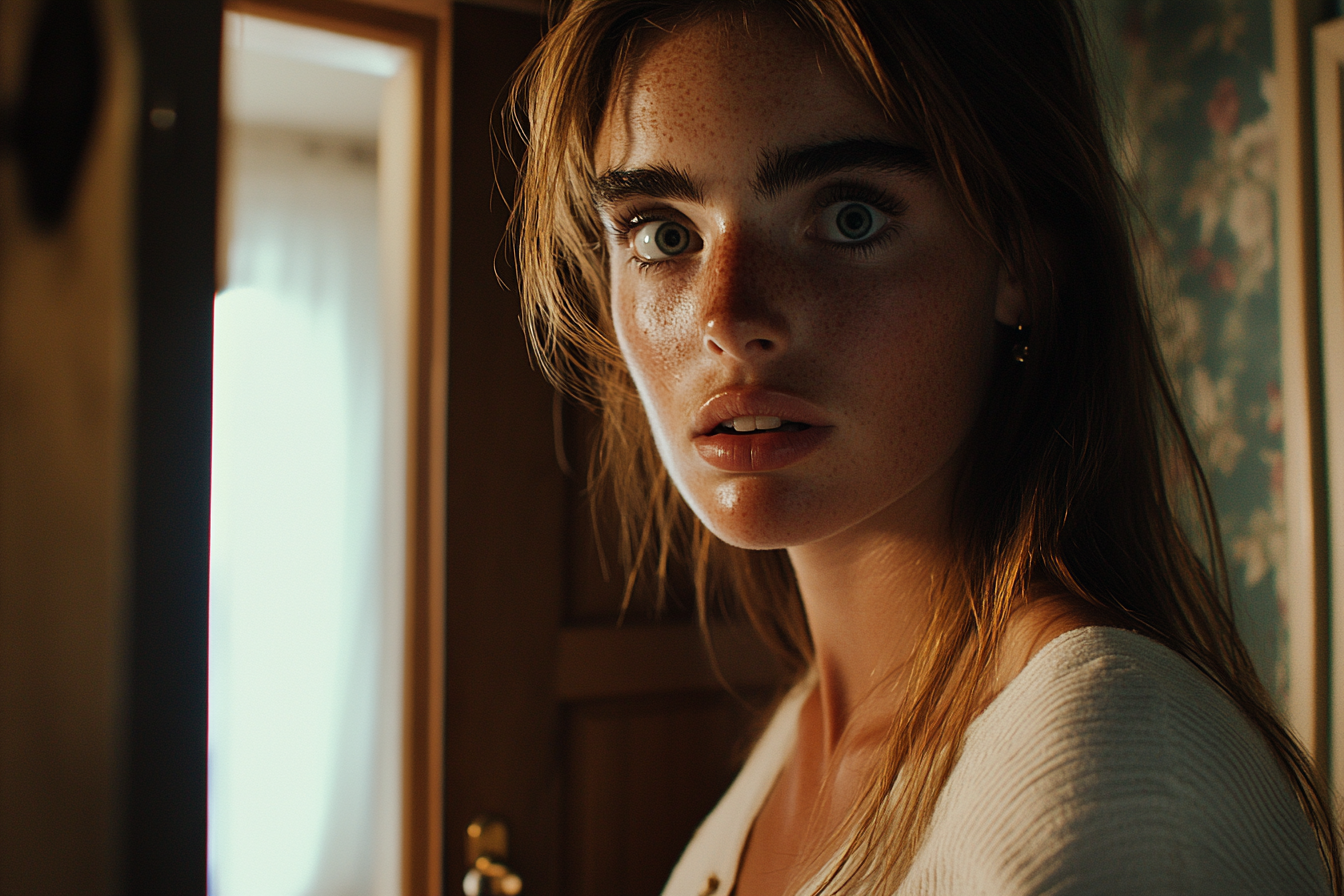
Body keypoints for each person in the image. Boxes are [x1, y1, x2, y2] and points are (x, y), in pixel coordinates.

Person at [509, 1, 1340, 893]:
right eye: (663, 233)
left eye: (851, 217)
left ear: (1018, 263)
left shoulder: (1113, 784)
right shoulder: (799, 739)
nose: (729, 318)